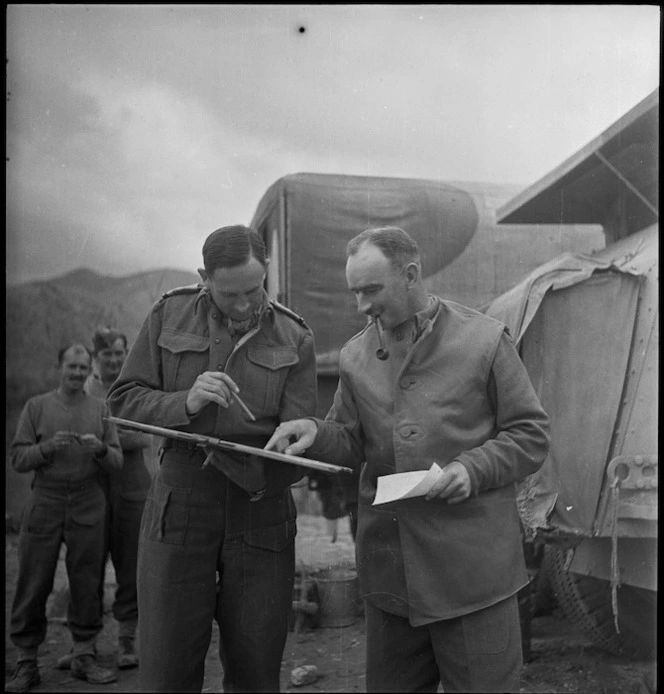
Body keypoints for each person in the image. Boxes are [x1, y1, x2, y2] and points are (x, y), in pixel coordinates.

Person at [266, 226, 551, 693]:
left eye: (371, 290)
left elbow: (530, 434)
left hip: (472, 580)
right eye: (355, 292)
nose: (361, 306)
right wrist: (315, 431)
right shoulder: (357, 355)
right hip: (392, 578)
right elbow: (350, 439)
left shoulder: (484, 341)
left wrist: (471, 469)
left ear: (412, 275)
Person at [107, 224, 317, 692]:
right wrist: (184, 401)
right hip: (180, 500)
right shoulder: (168, 315)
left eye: (254, 289)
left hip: (261, 506)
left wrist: (292, 448)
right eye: (229, 294)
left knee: (257, 668)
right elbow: (122, 401)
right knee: (167, 666)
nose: (244, 306)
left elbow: (302, 430)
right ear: (204, 277)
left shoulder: (295, 334)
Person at [6, 344, 123, 693]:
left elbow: (116, 461)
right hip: (46, 497)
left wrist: (100, 449)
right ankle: (27, 663)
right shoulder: (36, 407)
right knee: (33, 577)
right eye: (71, 366)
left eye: (83, 367)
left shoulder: (101, 409)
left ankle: (84, 656)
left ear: (90, 371)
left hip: (88, 500)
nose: (76, 373)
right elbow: (17, 458)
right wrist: (45, 449)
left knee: (88, 578)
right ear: (58, 367)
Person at [56, 327, 153, 671]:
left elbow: (146, 437)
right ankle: (84, 644)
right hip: (90, 483)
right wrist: (112, 438)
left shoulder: (135, 388)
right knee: (85, 563)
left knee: (131, 563)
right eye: (106, 354)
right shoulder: (82, 390)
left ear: (127, 355)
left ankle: (127, 639)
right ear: (95, 358)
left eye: (118, 353)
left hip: (132, 483)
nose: (113, 360)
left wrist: (105, 438)